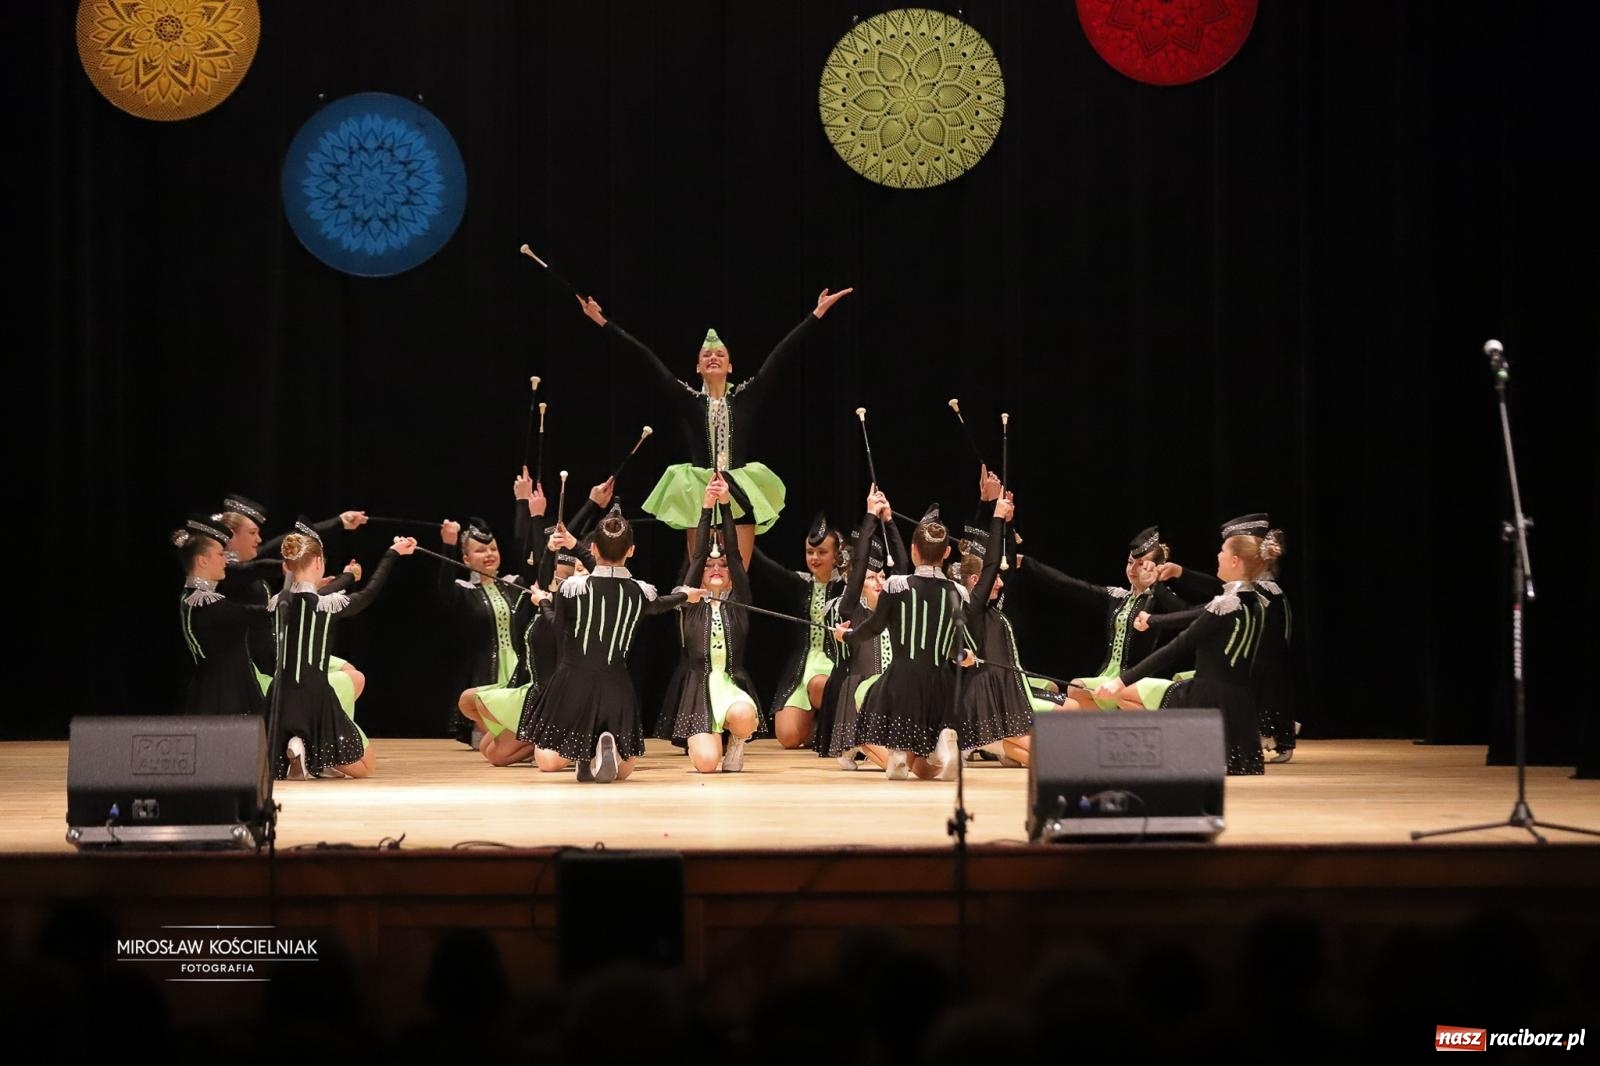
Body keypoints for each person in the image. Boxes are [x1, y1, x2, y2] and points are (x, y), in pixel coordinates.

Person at [575, 286, 853, 568]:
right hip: (699, 489)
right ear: (697, 368)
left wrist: (816, 314)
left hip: (741, 488)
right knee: (700, 570)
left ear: (730, 366)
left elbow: (781, 355)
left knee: (738, 573)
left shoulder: (746, 396)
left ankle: (735, 614)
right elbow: (645, 360)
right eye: (706, 355)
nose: (713, 357)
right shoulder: (690, 400)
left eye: (719, 353)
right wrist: (603, 322)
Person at [515, 507, 699, 782]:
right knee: (624, 772)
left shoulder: (572, 588)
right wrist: (686, 595)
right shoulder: (640, 592)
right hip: (616, 685)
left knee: (547, 760)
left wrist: (541, 601)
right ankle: (600, 748)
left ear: (594, 548)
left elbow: (556, 629)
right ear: (632, 551)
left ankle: (584, 755)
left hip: (573, 683)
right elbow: (662, 604)